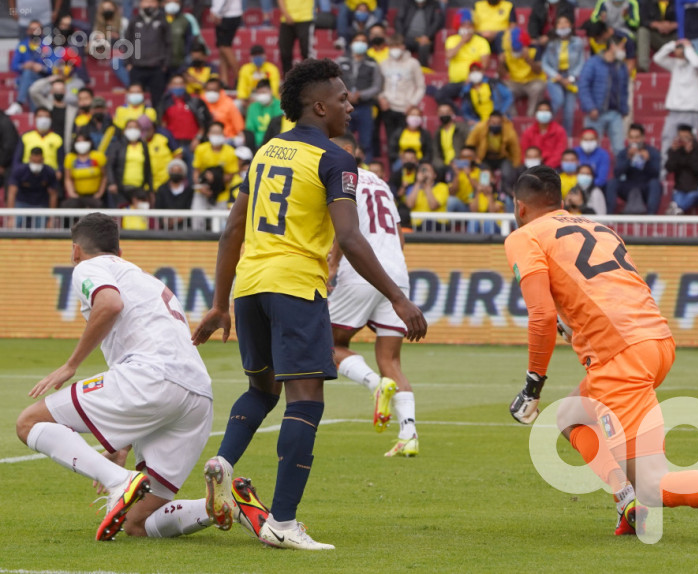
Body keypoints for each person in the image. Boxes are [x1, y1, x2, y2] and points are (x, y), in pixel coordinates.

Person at [191, 58, 426, 550]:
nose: (350, 104)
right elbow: (350, 237)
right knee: (306, 401)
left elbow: (233, 228)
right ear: (319, 106)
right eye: (342, 98)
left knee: (262, 389)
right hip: (296, 286)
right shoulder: (336, 159)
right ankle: (283, 521)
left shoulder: (266, 151)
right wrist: (398, 298)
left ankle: (224, 463)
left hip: (251, 286)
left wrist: (219, 304)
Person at [505, 164, 698, 547]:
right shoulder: (598, 228)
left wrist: (532, 385)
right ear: (561, 202)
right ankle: (626, 501)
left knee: (653, 484)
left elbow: (541, 315)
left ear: (520, 207)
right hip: (656, 340)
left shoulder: (524, 235)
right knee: (571, 413)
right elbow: (608, 291)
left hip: (621, 356)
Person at [14, 212, 268, 543]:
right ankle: (222, 505)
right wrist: (123, 439)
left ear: (76, 250)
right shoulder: (147, 280)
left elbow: (109, 303)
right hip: (196, 397)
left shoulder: (88, 267)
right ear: (119, 250)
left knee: (28, 423)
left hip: (149, 378)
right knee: (136, 523)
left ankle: (118, 480)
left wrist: (71, 364)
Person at [326, 132, 419, 456]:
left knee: (327, 343)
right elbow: (399, 236)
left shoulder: (341, 178)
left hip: (362, 271)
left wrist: (333, 264)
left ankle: (374, 385)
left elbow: (345, 227)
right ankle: (409, 434)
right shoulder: (380, 183)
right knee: (390, 360)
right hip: (396, 274)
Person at [653, 39, 698, 168]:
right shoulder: (675, 64)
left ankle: (693, 173)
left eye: (681, 48)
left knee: (692, 143)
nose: (679, 50)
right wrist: (672, 44)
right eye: (679, 48)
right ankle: (663, 171)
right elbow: (657, 58)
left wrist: (688, 48)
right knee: (667, 139)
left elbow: (695, 63)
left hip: (692, 110)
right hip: (674, 110)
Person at [578, 35, 629, 155]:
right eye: (622, 47)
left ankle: (620, 174)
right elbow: (583, 85)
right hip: (596, 113)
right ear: (612, 46)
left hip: (615, 113)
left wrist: (624, 109)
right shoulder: (593, 62)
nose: (624, 51)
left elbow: (624, 89)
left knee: (620, 149)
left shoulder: (621, 66)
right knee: (590, 149)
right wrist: (590, 107)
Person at [337, 33, 383, 163]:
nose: (360, 44)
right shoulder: (341, 61)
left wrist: (361, 95)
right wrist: (346, 94)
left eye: (363, 41)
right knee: (342, 141)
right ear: (351, 43)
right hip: (344, 107)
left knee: (366, 143)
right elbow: (333, 80)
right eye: (357, 41)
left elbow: (377, 86)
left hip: (365, 106)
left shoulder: (372, 63)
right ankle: (342, 167)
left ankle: (366, 170)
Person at [378, 33, 426, 153]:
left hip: (406, 108)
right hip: (388, 107)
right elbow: (379, 85)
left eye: (397, 46)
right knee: (391, 142)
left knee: (404, 141)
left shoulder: (413, 63)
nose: (395, 49)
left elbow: (421, 86)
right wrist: (381, 98)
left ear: (403, 47)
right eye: (392, 46)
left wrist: (412, 103)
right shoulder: (384, 64)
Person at [541, 16, 585, 137]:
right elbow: (545, 63)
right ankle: (549, 131)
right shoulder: (551, 43)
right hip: (555, 77)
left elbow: (581, 62)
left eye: (566, 22)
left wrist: (571, 78)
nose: (563, 25)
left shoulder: (578, 42)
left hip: (571, 78)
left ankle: (567, 138)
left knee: (569, 112)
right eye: (559, 23)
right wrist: (557, 76)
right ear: (555, 27)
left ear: (571, 25)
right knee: (558, 100)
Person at [436, 9, 491, 105]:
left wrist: (472, 78)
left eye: (469, 25)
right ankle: (457, 113)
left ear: (474, 26)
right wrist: (462, 42)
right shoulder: (452, 40)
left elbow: (485, 64)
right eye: (463, 25)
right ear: (459, 26)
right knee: (439, 95)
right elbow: (449, 56)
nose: (467, 27)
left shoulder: (482, 42)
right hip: (455, 82)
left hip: (474, 81)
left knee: (473, 98)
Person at [606, 123, 662, 214]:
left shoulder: (652, 152)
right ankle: (609, 215)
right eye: (632, 137)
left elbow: (656, 174)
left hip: (645, 187)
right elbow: (617, 173)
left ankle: (651, 217)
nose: (634, 140)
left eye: (637, 137)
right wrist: (628, 159)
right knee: (612, 182)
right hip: (628, 187)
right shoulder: (624, 153)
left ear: (643, 137)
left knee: (655, 184)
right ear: (628, 138)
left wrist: (647, 161)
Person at [124, 0, 171, 106]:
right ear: (140, 4)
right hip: (137, 67)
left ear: (158, 4)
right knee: (135, 100)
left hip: (157, 68)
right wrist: (128, 63)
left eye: (152, 2)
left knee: (158, 100)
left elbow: (169, 43)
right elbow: (127, 42)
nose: (149, 4)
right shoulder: (134, 21)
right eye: (146, 1)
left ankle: (157, 121)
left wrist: (165, 64)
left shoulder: (163, 21)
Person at [464, 111, 522, 194]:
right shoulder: (480, 128)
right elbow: (470, 145)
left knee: (508, 173)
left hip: (502, 157)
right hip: (484, 157)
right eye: (493, 123)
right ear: (488, 122)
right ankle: (488, 195)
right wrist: (473, 160)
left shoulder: (509, 131)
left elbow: (515, 150)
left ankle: (507, 193)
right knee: (485, 176)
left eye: (498, 123)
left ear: (502, 123)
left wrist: (516, 167)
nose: (495, 125)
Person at [106, 119, 154, 207]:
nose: (133, 130)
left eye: (136, 127)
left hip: (139, 188)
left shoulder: (143, 146)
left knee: (141, 214)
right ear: (124, 130)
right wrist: (112, 183)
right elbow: (110, 166)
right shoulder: (117, 145)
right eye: (130, 127)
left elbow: (148, 169)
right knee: (122, 215)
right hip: (120, 188)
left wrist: (151, 189)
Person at [7, 147, 58, 229]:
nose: (36, 164)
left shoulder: (49, 172)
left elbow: (53, 195)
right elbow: (11, 193)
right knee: (15, 225)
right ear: (30, 159)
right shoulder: (20, 171)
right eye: (34, 161)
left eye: (39, 161)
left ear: (43, 159)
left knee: (41, 229)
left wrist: (51, 219)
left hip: (41, 205)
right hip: (22, 203)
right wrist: (10, 217)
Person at [6, 21, 49, 116]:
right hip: (25, 80)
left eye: (36, 29)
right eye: (31, 29)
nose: (34, 32)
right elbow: (14, 66)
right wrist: (23, 66)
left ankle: (19, 103)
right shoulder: (22, 45)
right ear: (28, 31)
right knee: (28, 76)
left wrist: (42, 68)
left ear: (41, 31)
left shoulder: (47, 46)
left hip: (42, 79)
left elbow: (53, 68)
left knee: (28, 76)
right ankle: (34, 113)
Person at [501, 28, 546, 117]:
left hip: (533, 81)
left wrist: (528, 59)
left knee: (537, 88)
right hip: (515, 82)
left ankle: (531, 117)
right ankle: (512, 118)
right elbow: (502, 74)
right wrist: (501, 63)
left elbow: (538, 71)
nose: (515, 52)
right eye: (514, 49)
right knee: (502, 88)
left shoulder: (534, 49)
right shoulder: (507, 52)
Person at [13, 108, 64, 178]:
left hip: (50, 177)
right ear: (35, 118)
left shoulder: (57, 139)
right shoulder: (25, 137)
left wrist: (59, 171)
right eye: (40, 117)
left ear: (51, 119)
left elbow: (61, 161)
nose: (43, 120)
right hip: (27, 176)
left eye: (46, 117)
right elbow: (17, 159)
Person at [664, 123, 698, 214]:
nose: (683, 140)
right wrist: (673, 153)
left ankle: (676, 210)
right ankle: (677, 210)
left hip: (694, 189)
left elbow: (696, 168)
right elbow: (669, 168)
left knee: (689, 198)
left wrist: (688, 154)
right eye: (681, 137)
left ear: (692, 137)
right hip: (680, 188)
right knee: (678, 199)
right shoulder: (675, 149)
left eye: (686, 137)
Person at [394, 0, 444, 68]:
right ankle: (398, 68)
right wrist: (401, 36)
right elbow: (399, 20)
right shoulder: (407, 3)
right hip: (406, 37)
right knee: (396, 44)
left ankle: (422, 68)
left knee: (424, 46)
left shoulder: (434, 4)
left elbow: (437, 22)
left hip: (424, 38)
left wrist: (427, 36)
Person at [63, 131, 107, 208]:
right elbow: (68, 179)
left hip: (94, 195)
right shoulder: (70, 158)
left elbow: (104, 176)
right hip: (77, 195)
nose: (81, 143)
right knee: (68, 206)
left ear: (90, 142)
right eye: (78, 141)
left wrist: (99, 193)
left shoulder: (98, 156)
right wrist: (72, 194)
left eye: (84, 141)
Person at [519, 101, 568, 169]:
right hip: (531, 165)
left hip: (552, 167)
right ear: (536, 113)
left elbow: (559, 153)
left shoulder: (559, 131)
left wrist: (545, 167)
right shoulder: (528, 132)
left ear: (551, 114)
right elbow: (524, 152)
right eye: (541, 111)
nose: (544, 113)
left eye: (546, 111)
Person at [404, 160, 450, 230]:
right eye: (422, 170)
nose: (424, 173)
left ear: (434, 175)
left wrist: (427, 185)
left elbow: (433, 206)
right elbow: (409, 205)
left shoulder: (442, 187)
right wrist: (418, 183)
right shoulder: (413, 188)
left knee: (428, 223)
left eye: (427, 170)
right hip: (417, 225)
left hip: (437, 225)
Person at [636, 0, 677, 72]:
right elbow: (642, 21)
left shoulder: (678, 2)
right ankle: (643, 67)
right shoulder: (647, 2)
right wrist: (658, 25)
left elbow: (688, 20)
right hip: (656, 37)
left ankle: (686, 69)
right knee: (642, 31)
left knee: (688, 33)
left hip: (674, 37)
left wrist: (672, 26)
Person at [155, 158, 194, 229]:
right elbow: (158, 207)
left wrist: (176, 220)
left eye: (178, 171)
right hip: (164, 228)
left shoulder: (189, 191)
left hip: (184, 228)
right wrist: (165, 221)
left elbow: (189, 208)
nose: (175, 173)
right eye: (173, 171)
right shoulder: (162, 189)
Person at [209, 0, 241, 87]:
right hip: (228, 14)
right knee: (221, 48)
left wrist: (216, 12)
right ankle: (224, 80)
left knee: (225, 47)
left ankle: (239, 78)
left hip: (227, 15)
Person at [277, 0, 314, 74]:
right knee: (285, 52)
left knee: (306, 51)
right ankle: (287, 78)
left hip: (305, 18)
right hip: (286, 19)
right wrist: (286, 14)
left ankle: (309, 77)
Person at [245, 79, 283, 148]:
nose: (261, 95)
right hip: (256, 144)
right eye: (259, 93)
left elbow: (278, 128)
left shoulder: (280, 106)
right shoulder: (252, 107)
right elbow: (250, 129)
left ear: (271, 91)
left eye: (263, 92)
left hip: (274, 143)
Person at [432, 103, 470, 170]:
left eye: (447, 112)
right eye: (441, 112)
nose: (444, 114)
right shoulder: (438, 132)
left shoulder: (462, 128)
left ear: (452, 113)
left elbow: (469, 146)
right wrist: (441, 165)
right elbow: (436, 153)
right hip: (444, 166)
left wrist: (457, 161)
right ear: (438, 114)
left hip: (460, 163)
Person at [165, 0, 194, 77]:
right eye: (169, 1)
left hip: (179, 62)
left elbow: (189, 41)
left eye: (176, 2)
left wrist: (186, 59)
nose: (172, 4)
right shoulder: (159, 20)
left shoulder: (185, 21)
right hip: (161, 64)